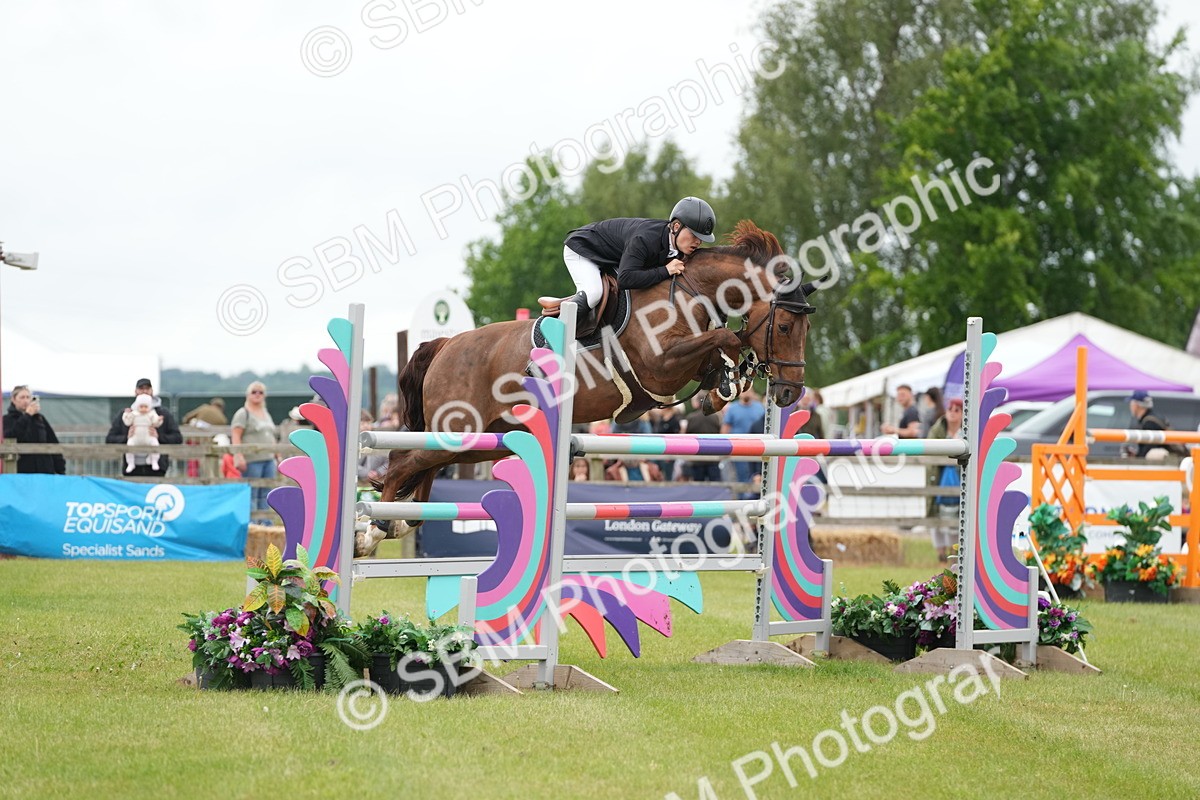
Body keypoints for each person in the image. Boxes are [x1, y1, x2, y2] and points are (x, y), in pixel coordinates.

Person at [543, 196, 717, 338]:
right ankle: (551, 340)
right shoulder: (645, 239)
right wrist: (665, 270)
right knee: (594, 293)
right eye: (694, 234)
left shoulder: (677, 246)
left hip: (608, 258)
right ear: (677, 226)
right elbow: (625, 279)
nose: (698, 241)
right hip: (583, 250)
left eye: (701, 237)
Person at [105, 378, 182, 476]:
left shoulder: (163, 414)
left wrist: (159, 437)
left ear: (152, 391)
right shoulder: (127, 414)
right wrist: (126, 437)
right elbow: (110, 439)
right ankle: (131, 462)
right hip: (131, 470)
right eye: (141, 388)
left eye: (147, 388)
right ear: (135, 391)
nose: (144, 391)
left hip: (157, 469)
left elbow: (177, 438)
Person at [231, 381, 279, 523]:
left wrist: (278, 455)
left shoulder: (266, 413)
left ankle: (265, 526)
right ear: (248, 394)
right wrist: (239, 456)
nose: (257, 395)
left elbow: (271, 437)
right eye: (254, 392)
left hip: (269, 459)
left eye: (261, 392)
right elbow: (236, 435)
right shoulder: (242, 413)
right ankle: (252, 526)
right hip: (252, 460)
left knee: (267, 494)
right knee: (253, 494)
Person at [927, 397, 964, 562]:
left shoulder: (966, 432)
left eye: (957, 410)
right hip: (938, 477)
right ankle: (941, 555)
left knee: (958, 516)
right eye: (950, 409)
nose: (953, 413)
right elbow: (930, 451)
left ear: (963, 413)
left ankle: (954, 553)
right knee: (936, 515)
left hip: (960, 479)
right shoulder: (937, 430)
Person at [3, 385, 66, 474]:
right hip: (21, 471)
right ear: (13, 400)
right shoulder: (7, 419)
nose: (25, 400)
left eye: (28, 397)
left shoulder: (40, 419)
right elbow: (11, 436)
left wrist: (60, 470)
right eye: (22, 397)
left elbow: (53, 443)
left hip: (44, 470)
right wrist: (27, 416)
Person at [721, 390, 766, 485]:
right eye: (744, 391)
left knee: (757, 476)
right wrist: (724, 447)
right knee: (740, 477)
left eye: (749, 391)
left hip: (756, 449)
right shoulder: (732, 408)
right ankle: (741, 497)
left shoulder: (760, 408)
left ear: (753, 393)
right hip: (738, 449)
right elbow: (725, 428)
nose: (746, 393)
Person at [1125, 390, 1187, 458]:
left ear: (1137, 405)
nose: (1130, 406)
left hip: (1168, 459)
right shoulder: (1153, 418)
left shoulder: (1150, 422)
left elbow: (1148, 449)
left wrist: (1137, 457)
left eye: (1131, 403)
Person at [682, 395, 722, 481]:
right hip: (713, 457)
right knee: (716, 486)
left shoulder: (691, 417)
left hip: (697, 457)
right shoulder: (716, 417)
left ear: (697, 403)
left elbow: (686, 436)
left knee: (698, 486)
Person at [122, 394, 163, 474]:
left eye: (146, 407)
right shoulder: (134, 414)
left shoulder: (152, 414)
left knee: (155, 444)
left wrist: (159, 420)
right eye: (141, 406)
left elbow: (156, 422)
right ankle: (130, 463)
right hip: (135, 436)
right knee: (129, 445)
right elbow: (127, 422)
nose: (143, 409)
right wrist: (126, 415)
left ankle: (154, 460)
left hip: (148, 436)